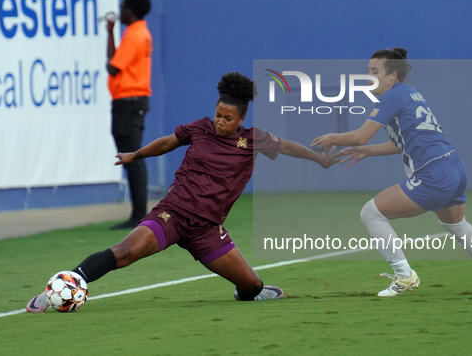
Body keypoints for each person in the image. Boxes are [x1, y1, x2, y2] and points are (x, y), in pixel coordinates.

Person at [27, 72, 337, 312]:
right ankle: (57, 289)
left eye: (227, 118)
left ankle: (250, 291)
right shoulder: (200, 128)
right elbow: (167, 142)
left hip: (207, 230)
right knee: (123, 252)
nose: (219, 121)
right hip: (172, 214)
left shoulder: (253, 140)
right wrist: (136, 154)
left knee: (252, 287)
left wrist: (319, 159)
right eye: (218, 114)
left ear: (241, 119)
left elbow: (288, 147)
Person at [311, 48, 472, 297]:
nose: (369, 76)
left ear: (392, 75)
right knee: (456, 224)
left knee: (371, 214)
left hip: (434, 173)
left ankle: (404, 276)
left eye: (375, 72)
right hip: (453, 166)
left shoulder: (392, 97)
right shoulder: (408, 93)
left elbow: (360, 135)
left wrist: (333, 137)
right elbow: (402, 142)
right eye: (367, 71)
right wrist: (366, 151)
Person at [106, 0, 153, 230]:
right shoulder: (138, 32)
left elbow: (113, 67)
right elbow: (116, 63)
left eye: (123, 6)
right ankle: (138, 213)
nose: (120, 9)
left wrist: (111, 34)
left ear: (131, 10)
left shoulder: (134, 35)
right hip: (132, 102)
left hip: (129, 102)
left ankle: (138, 215)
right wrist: (111, 32)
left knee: (133, 158)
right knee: (133, 157)